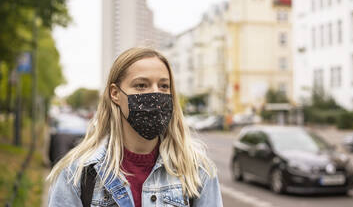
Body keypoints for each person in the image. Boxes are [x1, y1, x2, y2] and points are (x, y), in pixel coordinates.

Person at [47, 47, 223, 207]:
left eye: (164, 86)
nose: (155, 93)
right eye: (141, 85)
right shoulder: (77, 175)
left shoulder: (198, 171)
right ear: (115, 93)